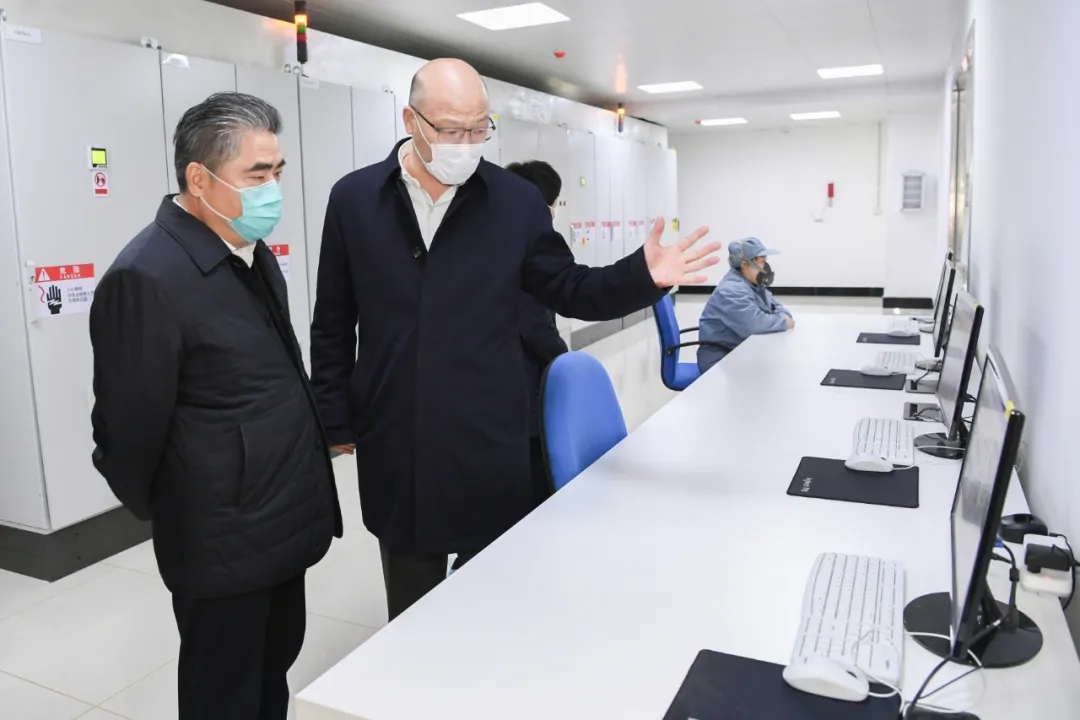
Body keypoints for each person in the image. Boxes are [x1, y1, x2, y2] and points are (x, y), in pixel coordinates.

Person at [310, 58, 719, 621]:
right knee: (413, 613)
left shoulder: (514, 202)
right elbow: (333, 321)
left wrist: (641, 276)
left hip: (488, 436)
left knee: (497, 602)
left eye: (479, 128)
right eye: (450, 130)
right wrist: (335, 418)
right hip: (398, 438)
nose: (466, 143)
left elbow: (569, 287)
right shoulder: (355, 199)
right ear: (410, 120)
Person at [89, 92, 341, 720]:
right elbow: (127, 432)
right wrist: (189, 508)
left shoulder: (247, 251)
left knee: (270, 672)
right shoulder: (147, 277)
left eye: (277, 172)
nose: (272, 190)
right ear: (199, 179)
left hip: (278, 522)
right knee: (223, 695)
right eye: (256, 175)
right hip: (221, 540)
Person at [504, 160, 570, 506]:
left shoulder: (496, 241)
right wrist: (566, 363)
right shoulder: (522, 252)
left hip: (498, 390)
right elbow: (534, 326)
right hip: (522, 389)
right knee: (535, 478)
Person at [697, 237, 794, 373]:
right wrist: (784, 321)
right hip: (720, 362)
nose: (766, 268)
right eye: (761, 262)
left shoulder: (753, 286)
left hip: (739, 353)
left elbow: (776, 307)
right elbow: (755, 324)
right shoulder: (731, 291)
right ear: (744, 264)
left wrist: (783, 318)